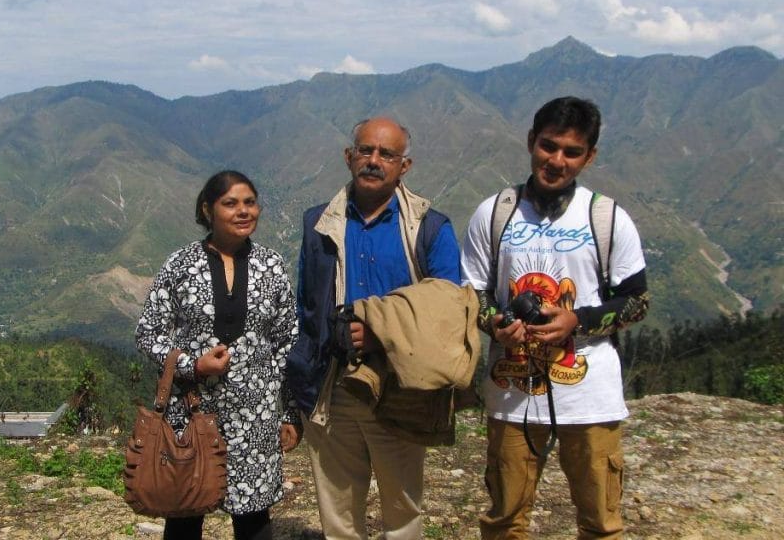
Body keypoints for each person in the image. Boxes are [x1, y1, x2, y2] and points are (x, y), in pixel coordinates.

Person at [461, 96, 650, 539]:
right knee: (505, 518)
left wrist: (576, 321)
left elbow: (637, 301)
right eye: (548, 146)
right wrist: (496, 323)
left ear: (590, 156)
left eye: (572, 151)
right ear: (530, 141)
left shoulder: (606, 217)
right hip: (512, 390)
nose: (556, 160)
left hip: (590, 394)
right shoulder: (495, 213)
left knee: (601, 522)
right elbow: (473, 292)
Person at [286, 117, 461, 539]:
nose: (374, 161)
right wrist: (297, 391)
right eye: (365, 151)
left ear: (405, 166)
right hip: (334, 386)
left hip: (399, 388)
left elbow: (448, 311)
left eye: (387, 154)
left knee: (401, 511)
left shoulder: (430, 228)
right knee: (338, 513)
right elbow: (306, 307)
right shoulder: (318, 223)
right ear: (349, 157)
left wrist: (383, 331)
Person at [135, 170, 300, 540]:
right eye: (231, 203)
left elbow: (287, 341)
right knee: (185, 510)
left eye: (249, 202)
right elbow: (148, 332)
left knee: (254, 516)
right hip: (192, 408)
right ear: (208, 210)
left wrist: (290, 412)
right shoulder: (181, 264)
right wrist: (191, 365)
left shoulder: (271, 265)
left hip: (255, 415)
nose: (243, 211)